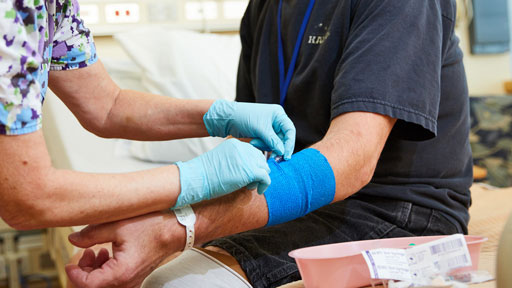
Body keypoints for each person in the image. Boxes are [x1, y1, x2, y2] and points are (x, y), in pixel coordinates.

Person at [66, 0, 473, 287]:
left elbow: (352, 161)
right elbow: (253, 149)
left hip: (394, 210)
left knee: (173, 283)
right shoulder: (265, 8)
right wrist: (175, 222)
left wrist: (180, 226)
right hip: (301, 205)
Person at [0, 2, 296, 233]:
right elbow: (28, 197)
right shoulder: (11, 11)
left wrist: (219, 116)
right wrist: (198, 178)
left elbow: (108, 106)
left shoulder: (53, 6)